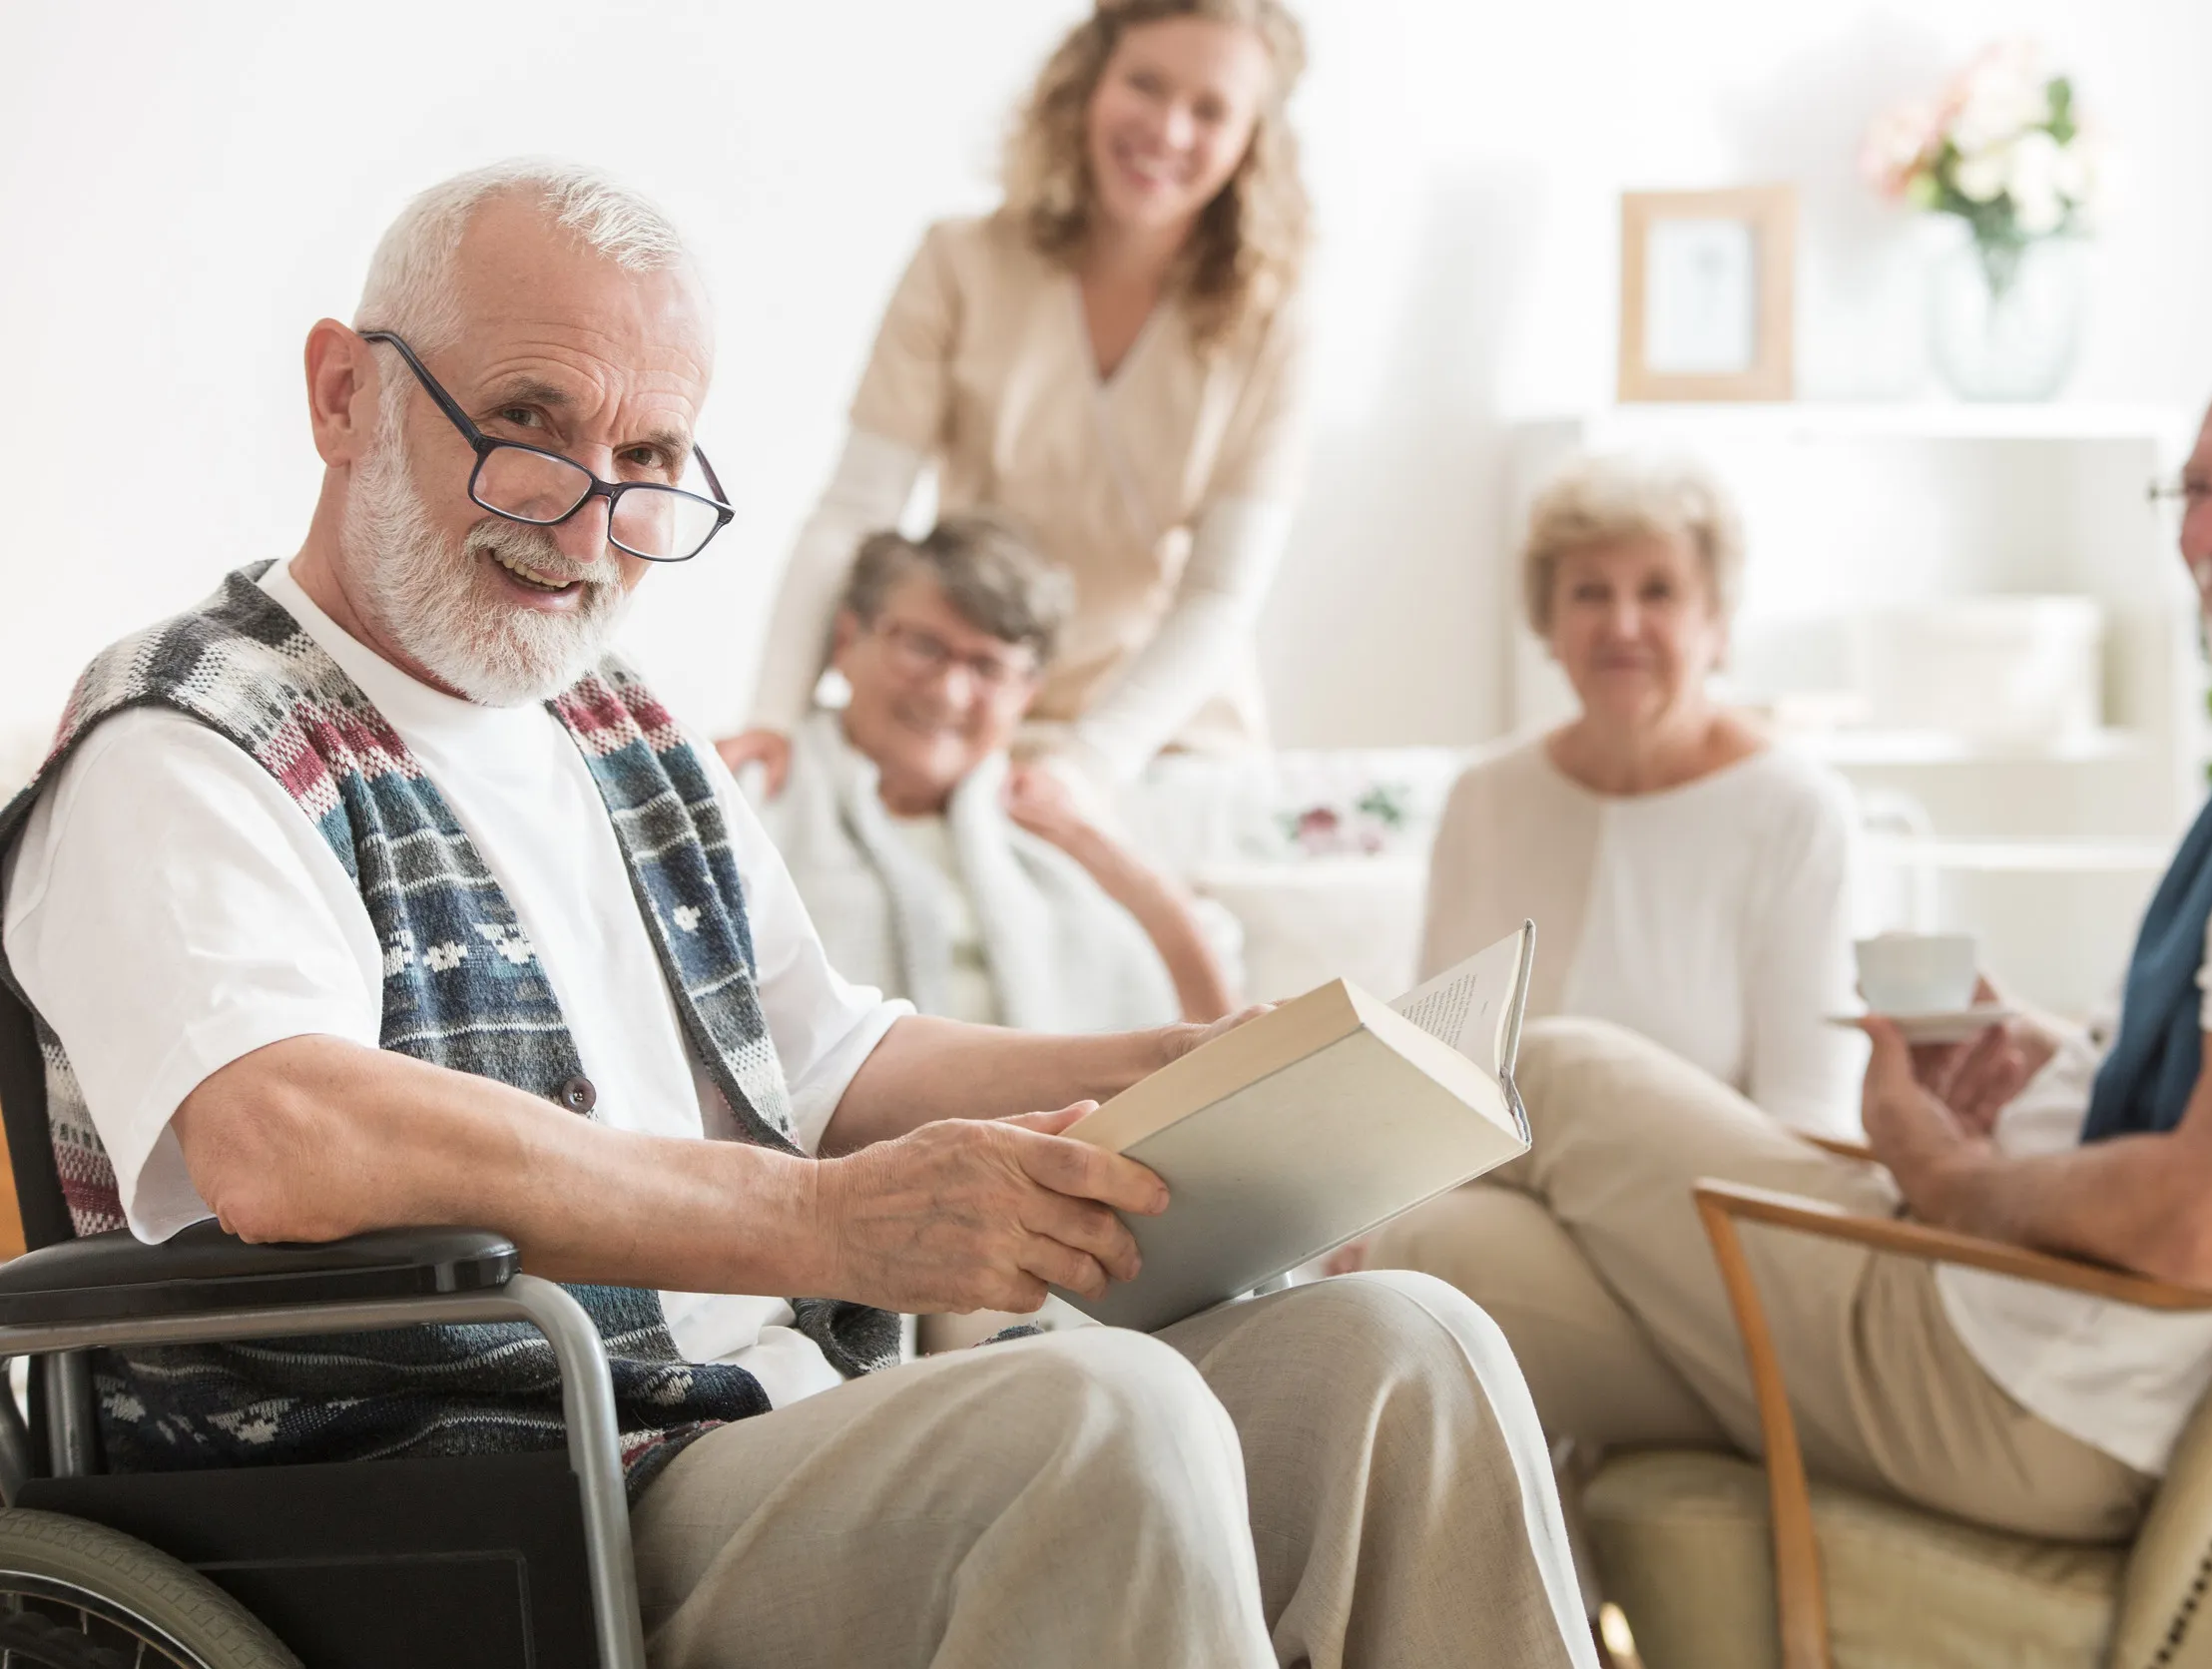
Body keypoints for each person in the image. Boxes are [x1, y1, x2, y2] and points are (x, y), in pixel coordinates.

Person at [0, 162, 1595, 1669]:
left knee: (1401, 1353)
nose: (584, 522)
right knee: (1104, 1419)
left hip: (777, 1413)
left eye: (644, 465)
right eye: (528, 423)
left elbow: (829, 1059)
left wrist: (1181, 1066)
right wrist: (827, 1224)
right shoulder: (183, 736)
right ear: (344, 392)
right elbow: (291, 1137)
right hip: (508, 1486)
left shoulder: (611, 720)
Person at [1368, 347, 2212, 1560]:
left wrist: (1962, 1184)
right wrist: (2056, 1061)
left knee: (1562, 1066)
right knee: (1443, 1260)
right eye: (2193, 493)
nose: (2207, 537)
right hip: (2051, 1357)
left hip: (2025, 1377)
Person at [720, 0, 1313, 799]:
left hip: (1160, 733)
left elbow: (1219, 594)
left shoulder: (1274, 328)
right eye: (1146, 84)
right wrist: (776, 718)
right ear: (1087, 85)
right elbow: (856, 510)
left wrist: (1091, 763)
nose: (1169, 131)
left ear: (1252, 143)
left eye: (1210, 110)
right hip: (961, 708)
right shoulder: (958, 264)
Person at [1415, 456, 1863, 1137]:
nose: (1622, 626)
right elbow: (1435, 1073)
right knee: (1429, 1230)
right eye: (1590, 593)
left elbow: (1811, 1114)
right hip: (1505, 1193)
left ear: (1715, 624)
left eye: (1658, 592)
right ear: (1548, 624)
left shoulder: (1796, 811)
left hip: (1704, 1211)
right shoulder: (1483, 799)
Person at [756, 510, 1238, 1033]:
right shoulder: (755, 797)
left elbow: (1228, 1044)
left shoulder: (1064, 829)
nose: (949, 692)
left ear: (1027, 694)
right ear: (848, 642)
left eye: (988, 668)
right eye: (922, 646)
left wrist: (1118, 867)